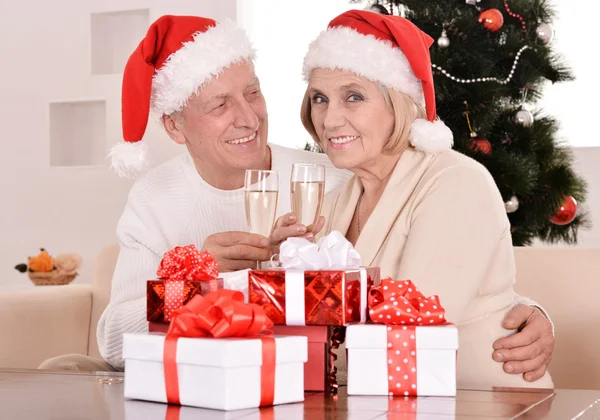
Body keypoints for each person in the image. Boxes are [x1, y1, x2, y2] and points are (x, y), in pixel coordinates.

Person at [39, 13, 552, 377]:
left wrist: (520, 308)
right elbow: (113, 340)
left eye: (254, 92)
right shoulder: (155, 200)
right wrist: (210, 285)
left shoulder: (325, 176)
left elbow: (430, 300)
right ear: (175, 126)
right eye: (220, 103)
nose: (248, 117)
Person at [270, 10, 554, 387]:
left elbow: (412, 324)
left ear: (399, 103)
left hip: (482, 400)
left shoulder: (456, 181)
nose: (329, 119)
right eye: (320, 98)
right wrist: (278, 271)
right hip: (375, 401)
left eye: (353, 96)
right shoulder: (339, 198)